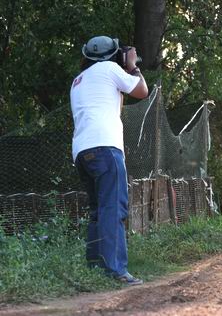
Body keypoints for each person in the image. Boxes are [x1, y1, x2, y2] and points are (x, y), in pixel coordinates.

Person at [70, 36, 149, 284]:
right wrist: (133, 66)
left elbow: (116, 104)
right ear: (112, 54)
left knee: (98, 211)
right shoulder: (110, 69)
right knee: (113, 208)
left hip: (82, 152)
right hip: (106, 148)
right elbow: (142, 91)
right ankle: (116, 271)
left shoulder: (78, 80)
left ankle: (95, 268)